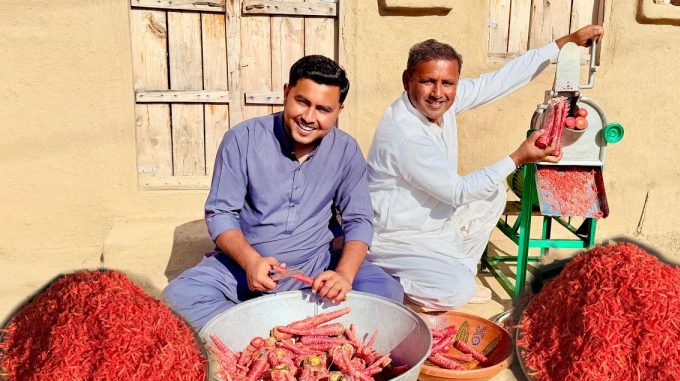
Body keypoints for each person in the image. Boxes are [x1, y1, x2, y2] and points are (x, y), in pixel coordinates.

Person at [366, 25, 604, 309]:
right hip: (397, 236)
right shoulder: (405, 133)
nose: (438, 93)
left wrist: (563, 44)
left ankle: (453, 271)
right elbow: (457, 192)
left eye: (448, 83)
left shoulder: (441, 102)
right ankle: (387, 280)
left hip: (432, 222)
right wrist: (518, 157)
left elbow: (499, 81)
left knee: (491, 195)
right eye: (428, 81)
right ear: (408, 80)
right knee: (457, 291)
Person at [163, 55, 403, 330]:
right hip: (243, 269)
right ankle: (296, 330)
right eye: (302, 102)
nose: (309, 118)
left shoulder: (346, 150)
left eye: (324, 109)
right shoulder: (243, 139)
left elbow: (359, 220)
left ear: (339, 110)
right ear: (287, 93)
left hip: (316, 268)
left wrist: (343, 275)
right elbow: (220, 214)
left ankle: (264, 330)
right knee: (177, 300)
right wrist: (250, 261)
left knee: (387, 292)